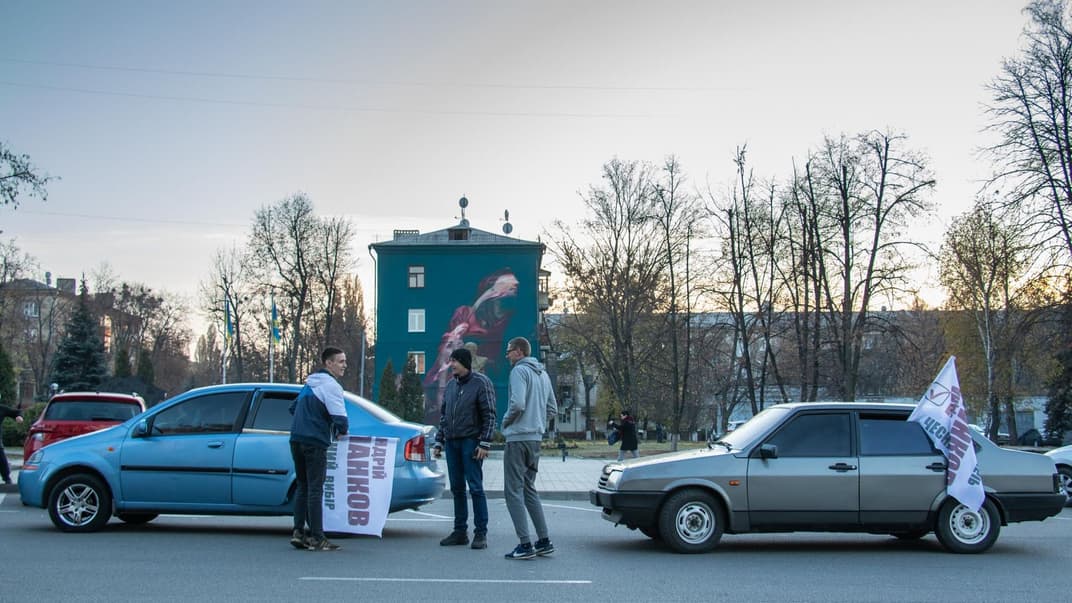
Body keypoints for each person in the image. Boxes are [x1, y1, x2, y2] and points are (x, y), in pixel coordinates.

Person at [432, 347, 496, 550]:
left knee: (475, 488)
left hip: (471, 442)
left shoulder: (481, 383)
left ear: (465, 362)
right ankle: (460, 532)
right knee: (457, 489)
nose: (452, 365)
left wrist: (484, 442)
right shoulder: (451, 386)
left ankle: (480, 534)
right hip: (452, 442)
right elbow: (444, 416)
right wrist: (439, 441)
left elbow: (489, 414)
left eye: (455, 362)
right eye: (451, 361)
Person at [501, 336, 558, 560]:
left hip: (517, 438)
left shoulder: (518, 371)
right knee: (529, 488)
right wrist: (538, 422)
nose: (506, 355)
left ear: (519, 352)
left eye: (509, 350)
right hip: (535, 439)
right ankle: (543, 541)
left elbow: (517, 404)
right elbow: (552, 408)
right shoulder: (542, 373)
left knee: (512, 491)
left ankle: (525, 545)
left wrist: (506, 421)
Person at [289, 347, 350, 552]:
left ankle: (298, 532)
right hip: (314, 441)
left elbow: (292, 408)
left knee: (303, 486)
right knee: (315, 488)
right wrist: (341, 430)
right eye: (340, 362)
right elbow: (340, 418)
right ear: (329, 363)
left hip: (296, 439)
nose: (344, 365)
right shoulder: (331, 386)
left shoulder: (309, 384)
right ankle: (318, 537)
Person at [1, 405, 24, 484]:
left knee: (1, 459)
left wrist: (19, 416)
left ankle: (7, 478)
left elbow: (16, 412)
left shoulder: (2, 409)